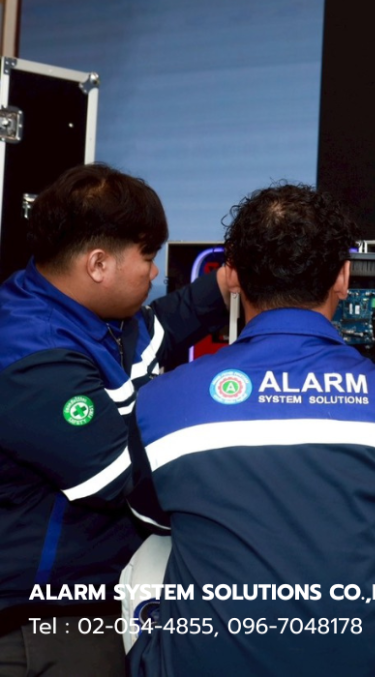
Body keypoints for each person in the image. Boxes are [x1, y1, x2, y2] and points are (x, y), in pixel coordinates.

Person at [126, 183, 375, 677]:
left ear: (234, 276)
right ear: (343, 277)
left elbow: (153, 519)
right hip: (363, 666)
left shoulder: (161, 403)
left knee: (150, 559)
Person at [0, 163, 230, 677]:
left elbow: (158, 331)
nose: (155, 272)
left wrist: (223, 284)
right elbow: (115, 477)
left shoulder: (90, 314)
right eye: (147, 256)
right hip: (42, 620)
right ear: (99, 264)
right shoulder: (30, 352)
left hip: (94, 595)